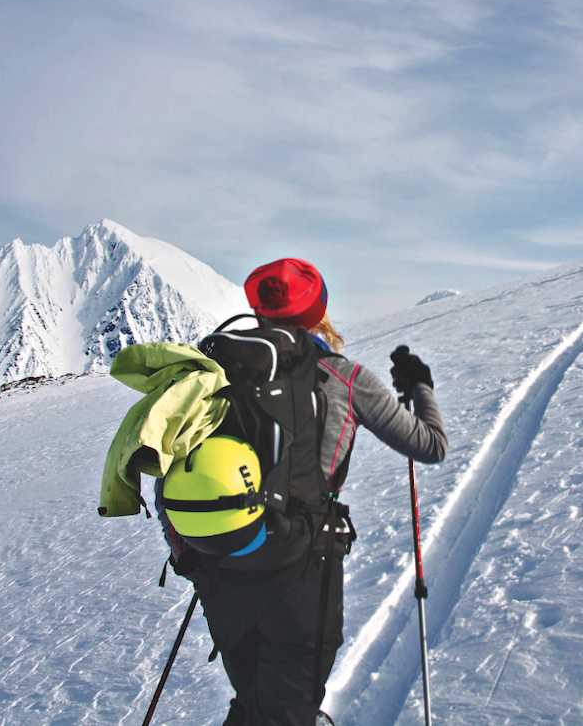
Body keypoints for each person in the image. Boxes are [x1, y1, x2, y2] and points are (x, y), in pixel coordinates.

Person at [180, 258, 448, 726]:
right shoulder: (344, 376)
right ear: (318, 310)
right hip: (301, 573)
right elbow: (430, 445)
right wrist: (420, 386)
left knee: (254, 702)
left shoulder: (218, 374)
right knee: (284, 712)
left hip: (221, 571)